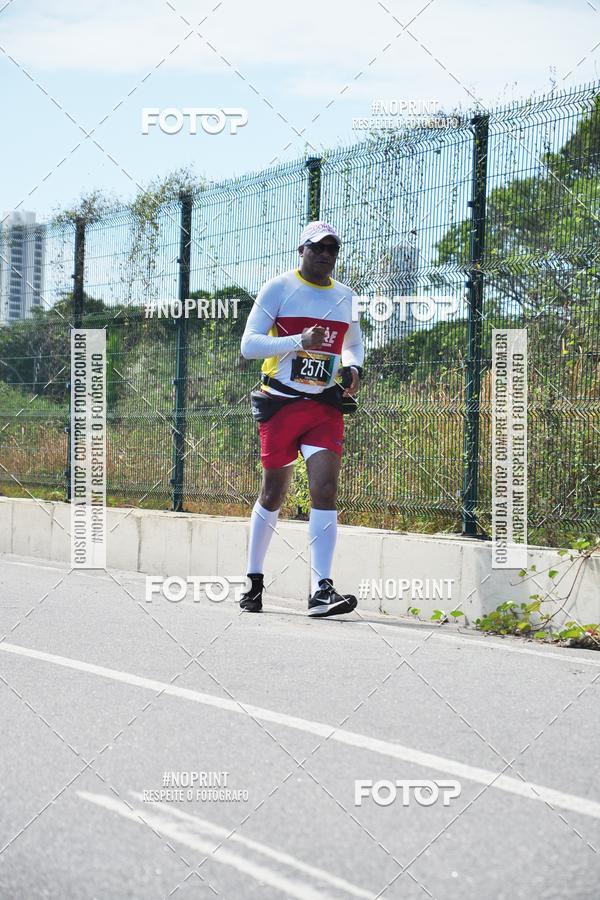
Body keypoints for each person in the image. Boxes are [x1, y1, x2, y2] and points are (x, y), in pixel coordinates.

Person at [239, 221, 364, 617]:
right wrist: (298, 341)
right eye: (318, 247)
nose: (326, 254)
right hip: (280, 402)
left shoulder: (345, 296)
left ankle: (321, 590)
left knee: (325, 489)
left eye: (333, 248)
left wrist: (354, 367)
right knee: (273, 492)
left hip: (324, 406)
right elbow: (249, 345)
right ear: (301, 250)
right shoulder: (278, 288)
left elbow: (353, 342)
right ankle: (254, 579)